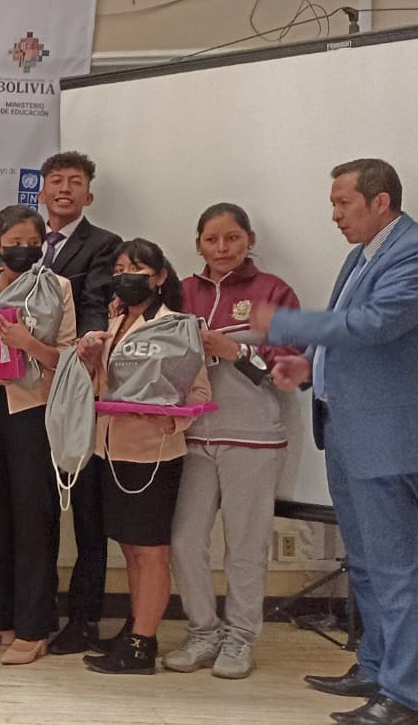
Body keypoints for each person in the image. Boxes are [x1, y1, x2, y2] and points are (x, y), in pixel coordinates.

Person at [252, 159, 418, 725]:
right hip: (345, 428)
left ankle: (405, 693)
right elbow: (351, 333)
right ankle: (375, 667)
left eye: (344, 203)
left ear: (380, 201)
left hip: (387, 437)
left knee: (396, 568)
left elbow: (374, 324)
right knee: (367, 564)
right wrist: (308, 365)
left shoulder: (411, 252)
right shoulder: (363, 254)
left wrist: (283, 325)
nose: (335, 215)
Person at [167, 203, 300, 679]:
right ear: (198, 244)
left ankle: (240, 636)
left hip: (252, 437)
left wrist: (237, 349)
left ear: (250, 241)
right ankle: (203, 631)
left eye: (232, 238)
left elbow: (292, 366)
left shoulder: (273, 291)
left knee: (245, 545)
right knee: (184, 541)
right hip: (192, 437)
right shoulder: (182, 292)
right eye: (212, 240)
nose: (222, 248)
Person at [74, 238, 210, 675]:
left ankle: (142, 645)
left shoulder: (178, 327)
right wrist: (89, 360)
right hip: (109, 451)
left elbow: (198, 392)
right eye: (119, 270)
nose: (126, 277)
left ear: (160, 276)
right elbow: (102, 389)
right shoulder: (112, 324)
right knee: (131, 550)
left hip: (153, 456)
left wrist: (167, 423)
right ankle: (135, 630)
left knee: (151, 553)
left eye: (136, 269)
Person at [0, 205, 75, 665]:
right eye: (14, 243)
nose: (24, 250)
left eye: (33, 243)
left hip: (33, 414)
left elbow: (69, 359)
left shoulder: (58, 287)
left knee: (33, 520)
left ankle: (34, 627)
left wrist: (28, 344)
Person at [38, 151, 124, 657]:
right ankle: (35, 611)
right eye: (56, 180)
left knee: (88, 513)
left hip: (78, 389)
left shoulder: (104, 244)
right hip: (26, 396)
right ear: (42, 191)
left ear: (88, 195)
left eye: (75, 182)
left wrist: (84, 345)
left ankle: (84, 619)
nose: (64, 188)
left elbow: (95, 305)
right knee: (37, 511)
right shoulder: (24, 238)